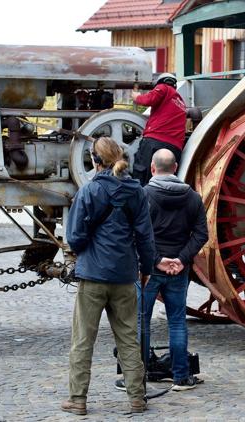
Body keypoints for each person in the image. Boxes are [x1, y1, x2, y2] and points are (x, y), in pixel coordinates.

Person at [62, 137, 156, 416]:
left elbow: (75, 236)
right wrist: (147, 268)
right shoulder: (136, 191)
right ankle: (137, 397)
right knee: (128, 337)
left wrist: (83, 250)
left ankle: (78, 400)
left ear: (95, 160)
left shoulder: (89, 191)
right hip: (125, 274)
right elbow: (145, 236)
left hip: (93, 274)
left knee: (82, 340)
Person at [115, 148, 208, 391]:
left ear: (153, 169)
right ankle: (181, 377)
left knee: (140, 322)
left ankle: (136, 378)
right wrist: (181, 259)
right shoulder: (193, 198)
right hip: (178, 270)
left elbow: (134, 233)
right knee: (177, 322)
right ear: (175, 168)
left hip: (147, 269)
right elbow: (201, 235)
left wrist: (156, 260)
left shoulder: (142, 195)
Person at [131, 73, 187, 186]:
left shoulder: (163, 88)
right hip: (175, 148)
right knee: (166, 182)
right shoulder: (181, 102)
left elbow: (149, 99)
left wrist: (136, 97)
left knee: (141, 176)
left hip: (155, 141)